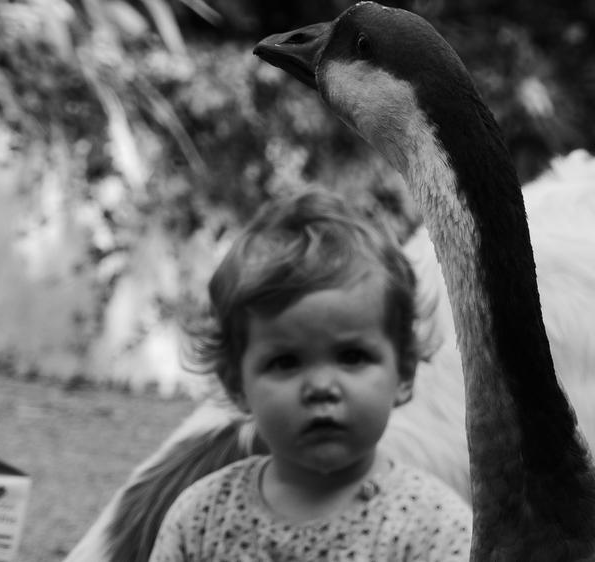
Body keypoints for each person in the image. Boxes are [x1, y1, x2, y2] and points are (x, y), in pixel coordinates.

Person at [148, 189, 472, 561]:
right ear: (237, 383)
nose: (321, 387)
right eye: (286, 362)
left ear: (403, 373)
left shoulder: (434, 529)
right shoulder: (201, 521)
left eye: (352, 356)